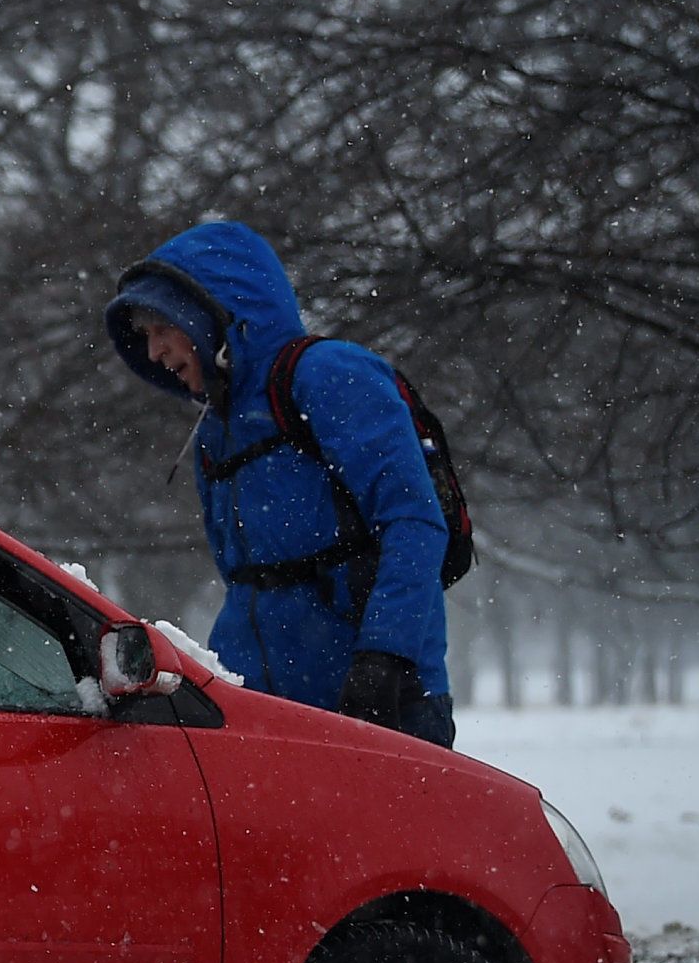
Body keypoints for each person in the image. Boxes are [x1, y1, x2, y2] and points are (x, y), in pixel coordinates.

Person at [104, 220, 456, 746]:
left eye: (160, 329)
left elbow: (414, 522)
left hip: (379, 701)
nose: (152, 352)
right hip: (261, 712)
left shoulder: (329, 376)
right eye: (145, 337)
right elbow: (244, 581)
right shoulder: (213, 432)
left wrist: (386, 655)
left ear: (208, 317)